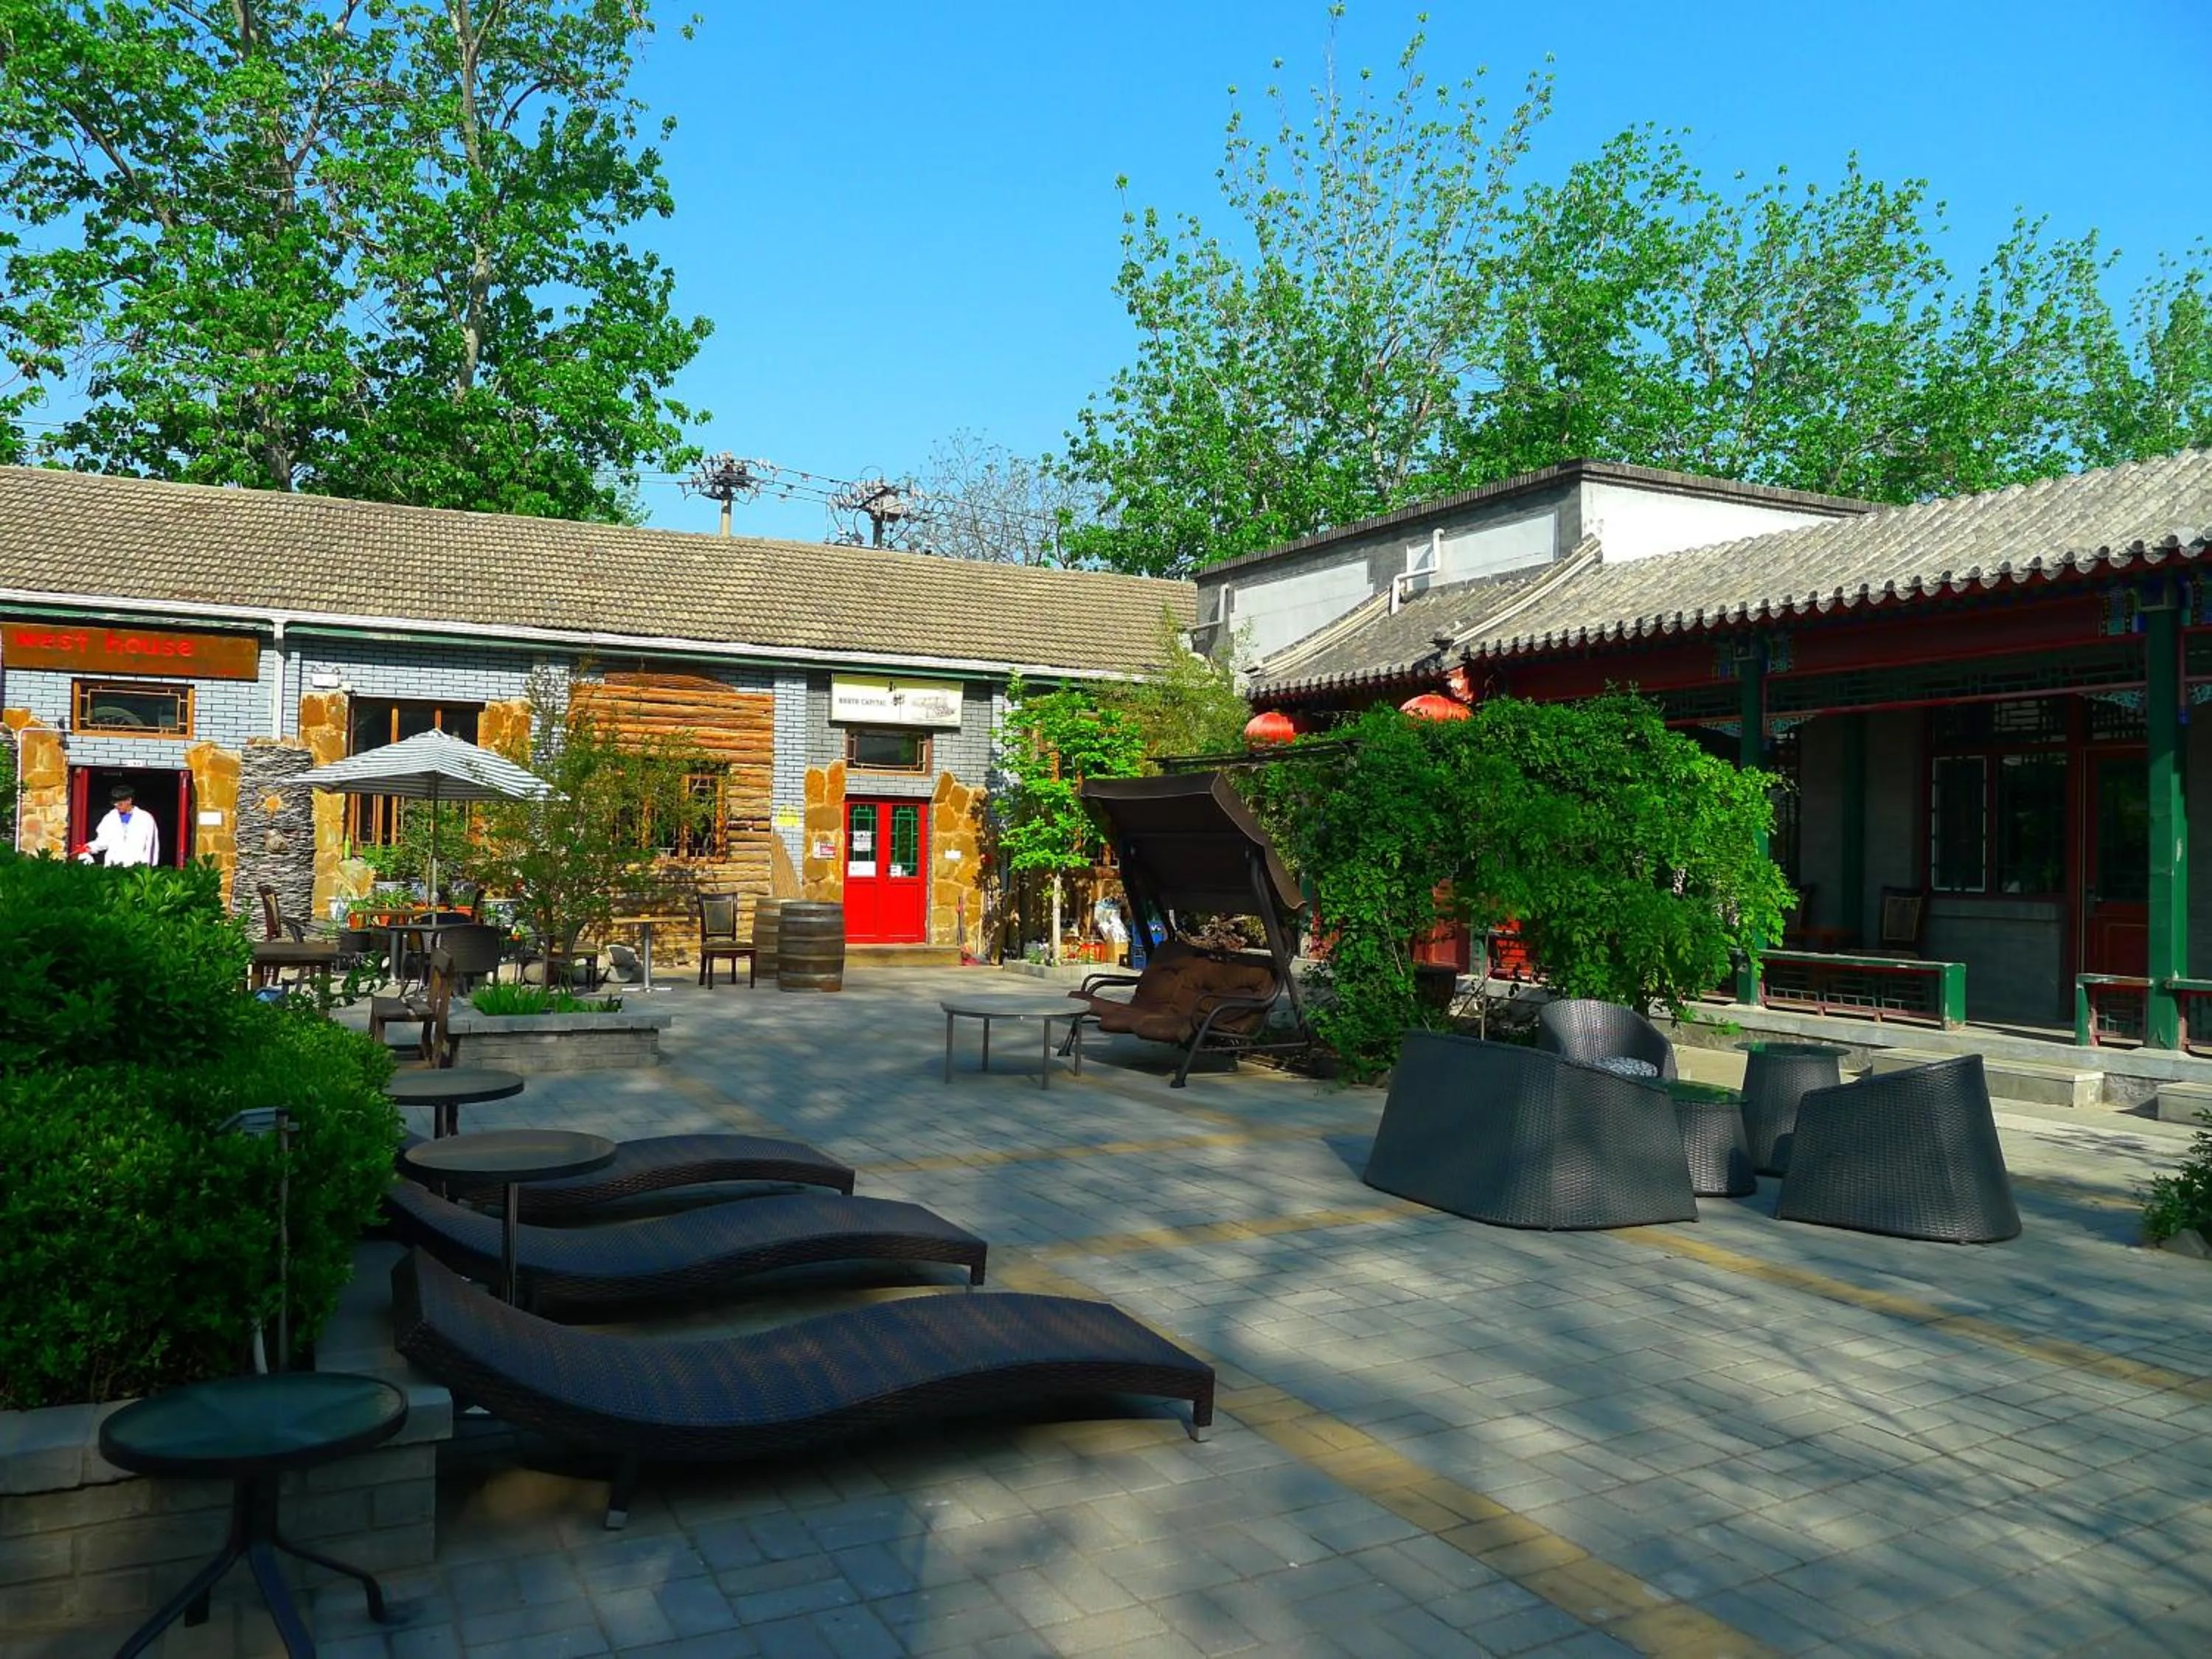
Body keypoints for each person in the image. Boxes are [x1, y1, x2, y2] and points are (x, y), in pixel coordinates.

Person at [77, 783, 161, 867]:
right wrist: (89, 847)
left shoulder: (145, 818)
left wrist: (150, 868)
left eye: (120, 803)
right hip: (113, 867)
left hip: (137, 868)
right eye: (115, 803)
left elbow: (152, 846)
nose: (116, 806)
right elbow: (103, 841)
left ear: (129, 800)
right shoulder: (110, 818)